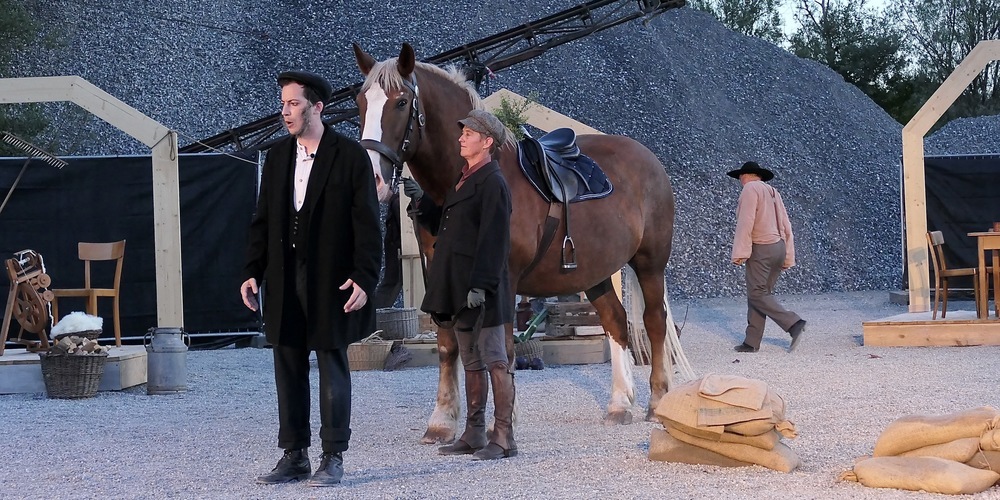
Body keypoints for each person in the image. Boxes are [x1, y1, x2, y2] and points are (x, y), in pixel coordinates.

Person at [240, 70, 382, 487]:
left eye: (294, 104)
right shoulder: (278, 157)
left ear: (316, 107)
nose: (285, 112)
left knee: (331, 359)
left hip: (331, 278)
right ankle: (294, 455)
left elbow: (368, 225)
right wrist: (252, 271)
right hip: (284, 277)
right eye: (283, 104)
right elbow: (263, 221)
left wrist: (364, 277)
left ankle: (333, 456)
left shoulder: (349, 156)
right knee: (287, 361)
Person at [401, 109, 516, 460]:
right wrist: (421, 200)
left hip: (482, 292)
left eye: (468, 134)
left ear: (487, 142)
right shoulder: (463, 179)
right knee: (471, 362)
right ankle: (474, 433)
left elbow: (495, 240)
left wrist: (481, 286)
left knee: (496, 361)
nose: (461, 138)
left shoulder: (493, 183)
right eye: (462, 132)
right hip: (458, 289)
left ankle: (504, 438)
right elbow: (447, 225)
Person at [728, 161, 806, 353]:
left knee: (757, 293)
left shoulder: (750, 189)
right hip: (779, 247)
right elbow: (786, 225)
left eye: (740, 177)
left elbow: (746, 221)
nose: (739, 180)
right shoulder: (773, 192)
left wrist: (740, 252)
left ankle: (793, 323)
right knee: (761, 295)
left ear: (745, 175)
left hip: (762, 247)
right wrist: (788, 255)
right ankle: (751, 341)